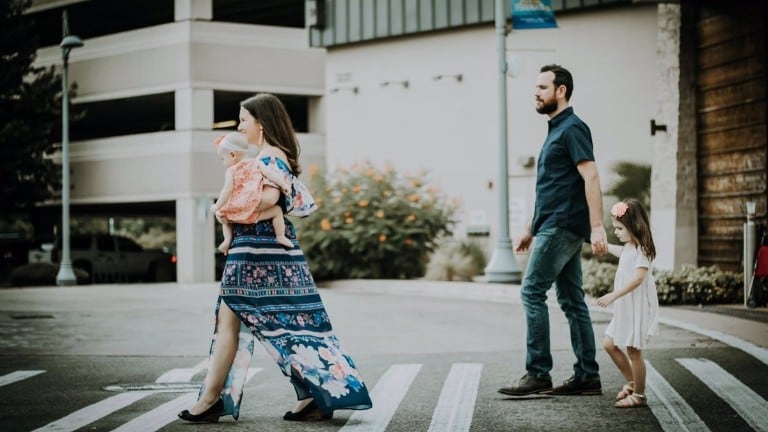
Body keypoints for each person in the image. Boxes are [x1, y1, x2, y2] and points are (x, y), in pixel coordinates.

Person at [179, 93, 372, 423]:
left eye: (244, 120)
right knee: (291, 322)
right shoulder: (272, 157)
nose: (240, 126)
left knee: (234, 321)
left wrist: (230, 209)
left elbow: (269, 200)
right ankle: (319, 394)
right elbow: (281, 202)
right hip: (267, 249)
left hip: (257, 250)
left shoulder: (268, 159)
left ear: (262, 124)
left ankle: (212, 399)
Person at [498, 64, 608, 397]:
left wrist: (599, 226)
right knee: (573, 300)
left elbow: (591, 176)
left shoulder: (572, 128)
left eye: (543, 87)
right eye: (536, 87)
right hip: (553, 224)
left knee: (532, 291)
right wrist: (530, 228)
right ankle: (588, 375)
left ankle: (538, 373)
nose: (536, 92)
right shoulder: (555, 131)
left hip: (562, 227)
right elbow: (552, 188)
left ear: (561, 91)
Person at [597, 199, 659, 408]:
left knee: (634, 351)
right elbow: (620, 252)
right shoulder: (629, 248)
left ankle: (639, 395)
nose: (616, 231)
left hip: (636, 309)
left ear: (635, 226)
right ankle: (632, 382)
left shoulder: (642, 250)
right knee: (609, 345)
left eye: (620, 228)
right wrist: (603, 246)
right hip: (626, 309)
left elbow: (638, 279)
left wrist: (613, 295)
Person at [210, 132, 294, 253]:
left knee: (224, 217)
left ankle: (227, 240)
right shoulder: (257, 163)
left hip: (237, 207)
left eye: (223, 158)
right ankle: (280, 236)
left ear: (232, 154)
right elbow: (271, 174)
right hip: (255, 203)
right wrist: (283, 185)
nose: (223, 163)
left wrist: (218, 205)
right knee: (277, 211)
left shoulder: (231, 171)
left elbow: (226, 190)